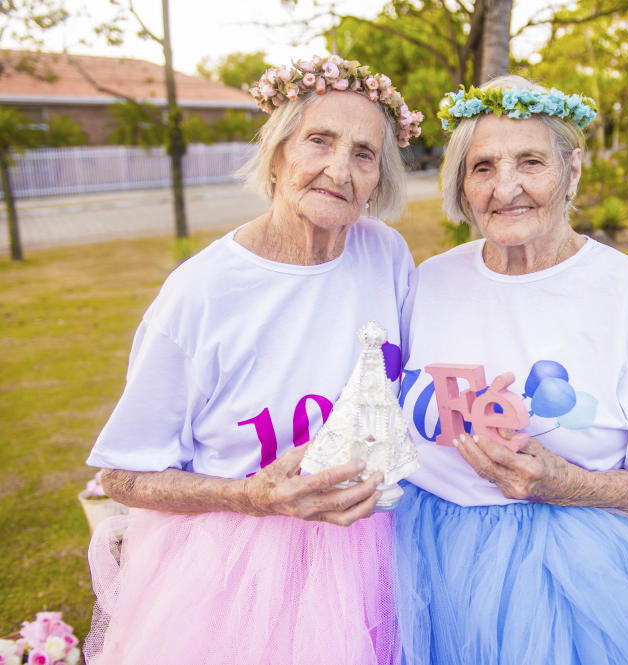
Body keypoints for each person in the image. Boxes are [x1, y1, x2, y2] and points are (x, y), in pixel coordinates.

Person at [83, 55, 423, 665]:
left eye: (364, 154)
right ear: (278, 150)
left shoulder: (387, 255)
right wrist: (251, 497)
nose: (339, 170)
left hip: (377, 552)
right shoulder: (202, 294)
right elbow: (122, 476)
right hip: (241, 573)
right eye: (319, 141)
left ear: (380, 176)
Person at [393, 75, 628, 665]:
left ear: (573, 170)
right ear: (461, 183)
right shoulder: (427, 281)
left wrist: (569, 484)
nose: (506, 188)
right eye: (482, 168)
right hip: (420, 566)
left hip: (578, 582)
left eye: (531, 161)